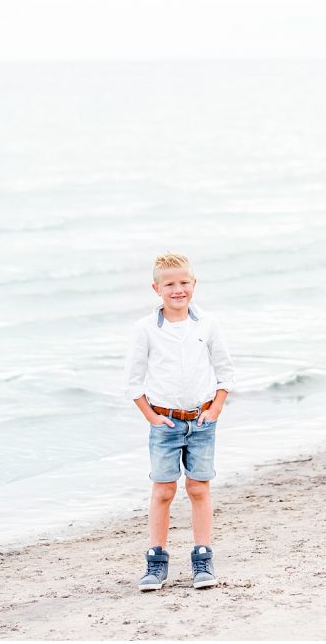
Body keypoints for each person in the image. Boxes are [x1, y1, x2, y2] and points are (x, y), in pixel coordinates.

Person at [123, 253, 235, 591]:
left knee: (199, 488)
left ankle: (203, 557)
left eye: (184, 282)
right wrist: (152, 417)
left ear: (194, 285)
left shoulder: (207, 324)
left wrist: (214, 410)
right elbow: (133, 381)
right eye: (169, 284)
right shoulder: (145, 329)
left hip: (202, 420)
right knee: (163, 490)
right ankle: (156, 561)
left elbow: (225, 371)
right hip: (165, 424)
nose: (178, 290)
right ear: (156, 288)